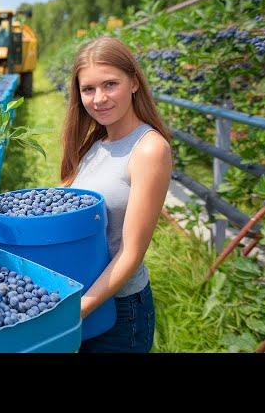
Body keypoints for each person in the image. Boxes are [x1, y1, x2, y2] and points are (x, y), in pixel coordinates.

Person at [60, 36, 173, 353]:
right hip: (81, 296)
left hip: (119, 310)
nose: (99, 98)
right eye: (88, 89)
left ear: (134, 82)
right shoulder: (95, 145)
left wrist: (78, 310)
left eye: (110, 84)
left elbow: (131, 253)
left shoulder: (149, 149)